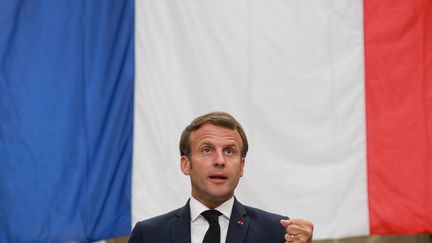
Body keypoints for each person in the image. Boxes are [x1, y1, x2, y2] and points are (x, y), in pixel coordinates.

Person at [129, 111, 313, 243]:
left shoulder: (277, 232)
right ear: (186, 164)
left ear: (241, 166)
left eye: (229, 151)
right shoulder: (148, 235)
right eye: (207, 150)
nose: (220, 160)